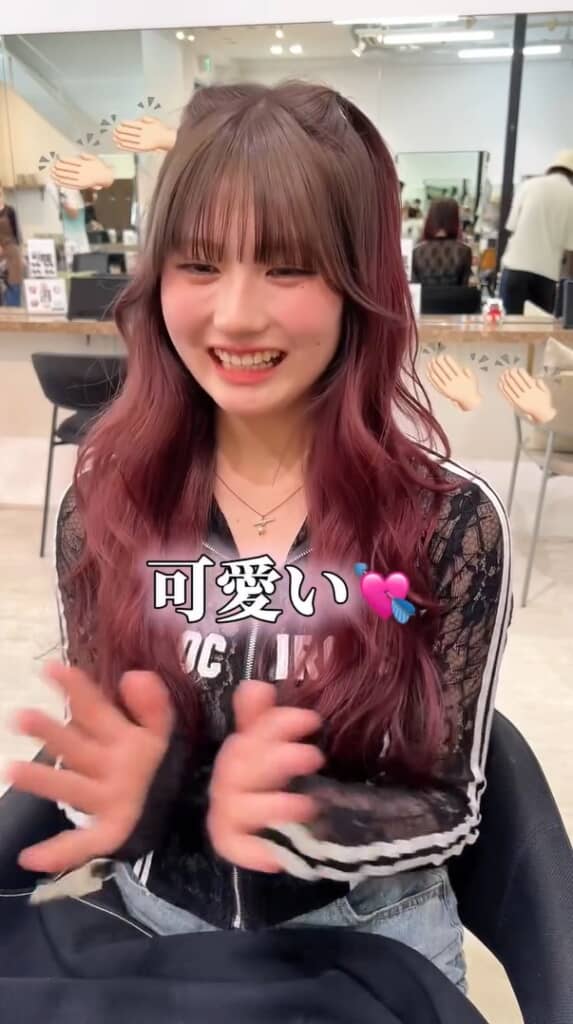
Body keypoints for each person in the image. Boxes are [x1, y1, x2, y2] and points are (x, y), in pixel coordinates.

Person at [7, 82, 512, 998]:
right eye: (199, 265)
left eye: (286, 269)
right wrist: (136, 796)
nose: (235, 316)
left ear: (359, 283)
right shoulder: (108, 506)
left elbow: (451, 800)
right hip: (156, 931)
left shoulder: (447, 521)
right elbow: (106, 744)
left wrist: (301, 817)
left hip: (371, 940)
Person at [500, 150, 573, 315]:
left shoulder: (529, 185)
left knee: (509, 326)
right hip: (546, 276)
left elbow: (511, 226)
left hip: (515, 268)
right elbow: (570, 248)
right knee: (538, 327)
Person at [412, 199, 473, 287]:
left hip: (425, 296)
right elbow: (464, 286)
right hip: (454, 296)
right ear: (455, 219)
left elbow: (414, 288)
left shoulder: (417, 252)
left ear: (431, 218)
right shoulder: (464, 251)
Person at [0, 182, 24, 306]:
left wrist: (22, 255)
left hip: (12, 254)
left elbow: (17, 236)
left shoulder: (10, 211)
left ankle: (13, 313)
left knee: (13, 286)